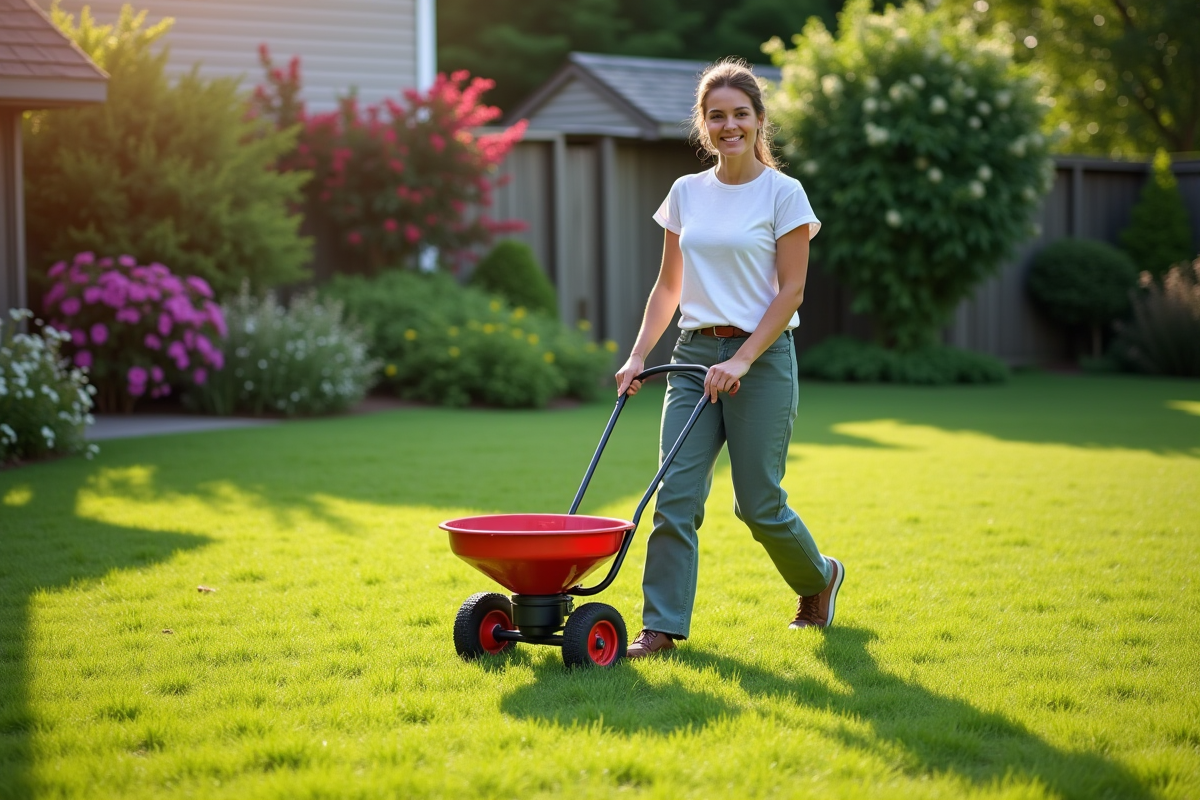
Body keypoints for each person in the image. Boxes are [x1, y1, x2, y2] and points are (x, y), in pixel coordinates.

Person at [614, 58, 845, 660]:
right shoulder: (685, 194)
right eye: (716, 116)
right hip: (693, 359)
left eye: (740, 114)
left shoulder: (783, 193)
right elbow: (668, 288)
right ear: (703, 124)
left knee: (758, 503)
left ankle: (818, 580)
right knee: (675, 498)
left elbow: (790, 291)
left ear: (759, 120)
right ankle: (660, 629)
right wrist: (638, 356)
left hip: (762, 361)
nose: (729, 125)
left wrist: (741, 359)